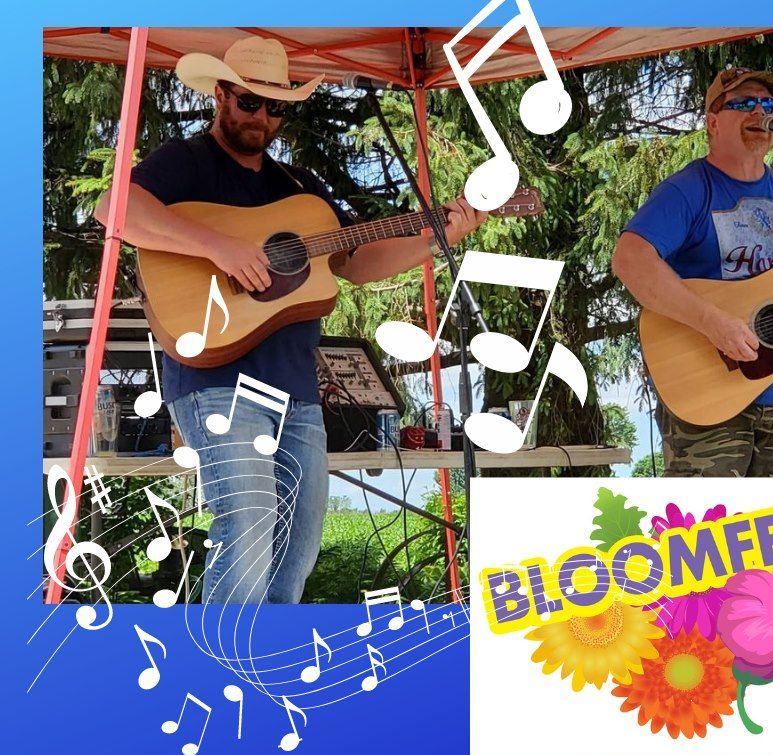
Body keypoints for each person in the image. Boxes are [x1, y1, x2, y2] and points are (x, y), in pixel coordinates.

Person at [94, 37, 486, 603]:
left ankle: (268, 657)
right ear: (221, 95)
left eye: (275, 106)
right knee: (248, 528)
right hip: (216, 381)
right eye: (250, 102)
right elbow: (114, 209)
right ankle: (216, 655)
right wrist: (219, 247)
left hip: (296, 391)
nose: (262, 117)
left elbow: (356, 262)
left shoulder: (301, 190)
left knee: (297, 550)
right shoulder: (186, 162)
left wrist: (438, 236)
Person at [612, 67, 773, 477]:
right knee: (706, 516)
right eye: (744, 103)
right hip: (705, 391)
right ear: (713, 123)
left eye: (767, 104)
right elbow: (630, 260)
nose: (760, 111)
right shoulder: (688, 190)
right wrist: (713, 322)